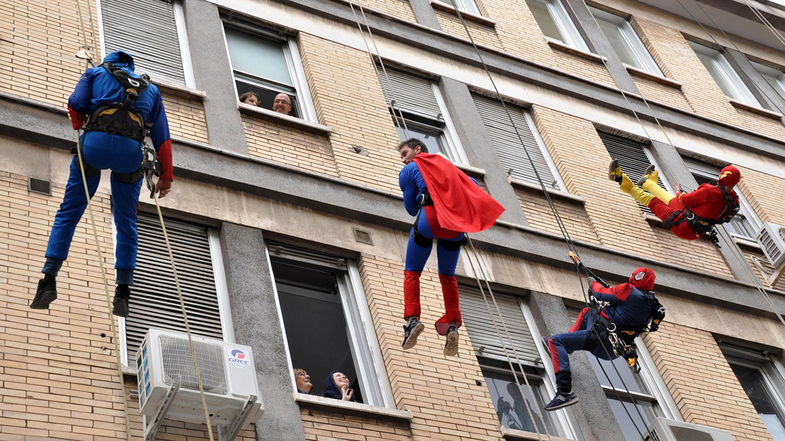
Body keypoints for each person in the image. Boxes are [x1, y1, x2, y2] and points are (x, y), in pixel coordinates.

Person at [31, 50, 173, 318]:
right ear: (132, 67)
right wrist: (167, 176)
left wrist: (79, 124)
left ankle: (48, 279)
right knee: (125, 221)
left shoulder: (95, 73)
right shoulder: (150, 89)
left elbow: (75, 103)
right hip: (130, 154)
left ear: (110, 62)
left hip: (94, 146)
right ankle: (123, 290)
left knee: (69, 212)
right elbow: (162, 136)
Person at [397, 138, 505, 356]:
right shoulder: (451, 168)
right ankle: (453, 323)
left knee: (412, 271)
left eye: (405, 153)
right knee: (447, 275)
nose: (403, 159)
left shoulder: (410, 169)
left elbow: (409, 208)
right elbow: (474, 188)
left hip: (430, 219)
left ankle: (412, 320)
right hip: (455, 227)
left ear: (418, 149)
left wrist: (420, 195)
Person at [542, 267, 664, 411]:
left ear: (639, 277)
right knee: (588, 312)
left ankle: (564, 392)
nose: (631, 277)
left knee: (555, 341)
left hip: (601, 336)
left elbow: (599, 293)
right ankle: (565, 348)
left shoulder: (629, 290)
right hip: (613, 350)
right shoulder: (651, 305)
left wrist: (593, 283)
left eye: (634, 276)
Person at [609, 161, 741, 242]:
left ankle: (621, 179)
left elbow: (687, 199)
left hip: (682, 224)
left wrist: (679, 192)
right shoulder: (734, 201)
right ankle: (648, 183)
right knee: (672, 201)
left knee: (653, 202)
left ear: (722, 176)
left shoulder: (711, 191)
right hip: (694, 230)